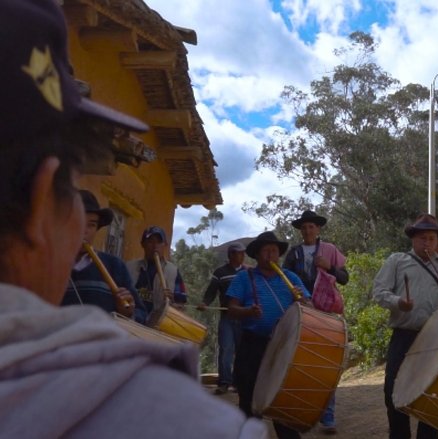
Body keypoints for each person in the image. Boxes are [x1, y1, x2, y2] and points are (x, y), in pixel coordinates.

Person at [0, 1, 269, 437]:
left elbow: (170, 300)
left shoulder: (143, 269)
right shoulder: (189, 426)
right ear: (41, 200)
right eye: (73, 187)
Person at [373, 214, 438, 439]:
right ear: (413, 239)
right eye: (422, 238)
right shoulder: (397, 261)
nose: (427, 243)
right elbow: (379, 292)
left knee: (433, 392)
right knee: (393, 390)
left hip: (436, 338)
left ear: (437, 240)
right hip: (404, 335)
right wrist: (399, 303)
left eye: (432, 238)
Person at [227, 231, 311, 439]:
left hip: (284, 345)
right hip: (252, 344)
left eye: (274, 251)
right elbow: (231, 309)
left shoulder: (290, 277)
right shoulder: (244, 278)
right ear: (257, 255)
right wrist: (248, 312)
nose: (271, 255)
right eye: (266, 251)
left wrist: (302, 301)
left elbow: (309, 307)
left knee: (282, 398)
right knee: (249, 397)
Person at [282, 210, 348, 434]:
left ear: (318, 229)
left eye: (311, 226)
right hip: (302, 313)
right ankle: (303, 412)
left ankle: (328, 417)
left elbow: (345, 278)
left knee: (326, 363)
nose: (308, 230)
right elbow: (285, 279)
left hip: (326, 314)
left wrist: (329, 267)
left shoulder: (330, 250)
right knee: (300, 363)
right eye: (304, 227)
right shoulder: (294, 253)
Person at [61, 190, 147, 323]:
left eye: (91, 225)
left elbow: (141, 314)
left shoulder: (115, 266)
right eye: (78, 222)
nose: (84, 231)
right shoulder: (48, 265)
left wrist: (127, 313)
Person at [198, 242, 247, 395]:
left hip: (244, 317)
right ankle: (224, 382)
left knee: (242, 352)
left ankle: (239, 383)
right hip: (226, 317)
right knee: (226, 349)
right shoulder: (220, 272)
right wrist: (205, 303)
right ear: (231, 255)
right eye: (239, 253)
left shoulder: (248, 272)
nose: (242, 256)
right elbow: (211, 292)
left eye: (243, 253)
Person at [126, 225, 187, 321]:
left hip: (157, 325)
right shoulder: (129, 267)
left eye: (159, 242)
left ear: (165, 245)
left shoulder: (173, 271)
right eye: (150, 242)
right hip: (129, 320)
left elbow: (181, 306)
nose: (155, 246)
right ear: (143, 244)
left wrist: (172, 302)